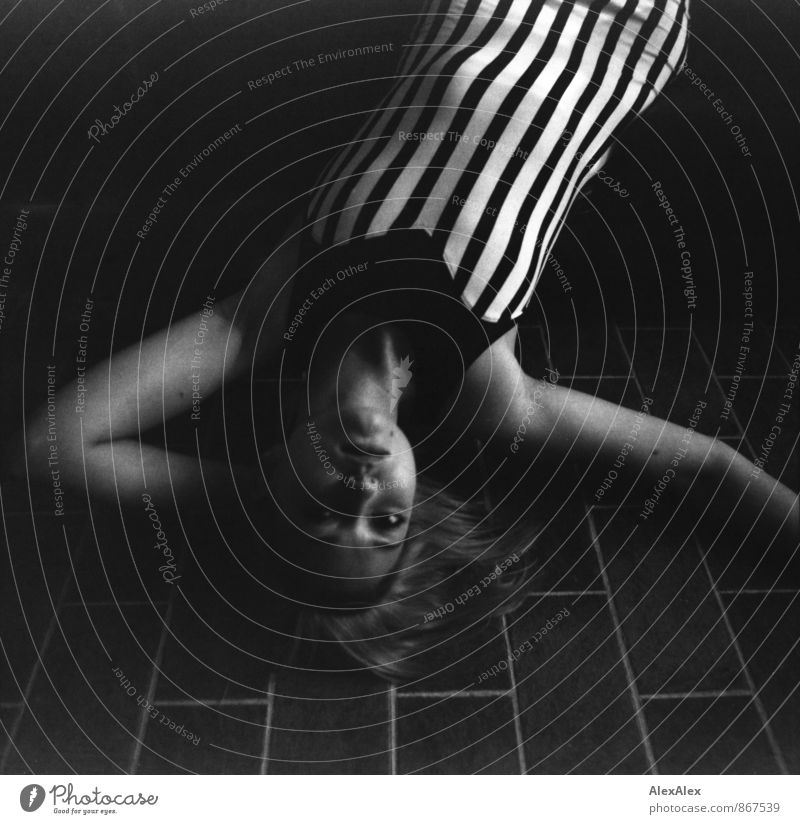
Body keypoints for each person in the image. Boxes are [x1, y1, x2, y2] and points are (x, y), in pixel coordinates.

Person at [12, 0, 798, 680]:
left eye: (321, 513)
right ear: (417, 502)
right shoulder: (491, 394)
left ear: (271, 476)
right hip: (635, 31)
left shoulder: (264, 317)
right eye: (386, 524)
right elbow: (708, 472)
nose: (359, 493)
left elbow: (49, 446)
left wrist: (247, 500)